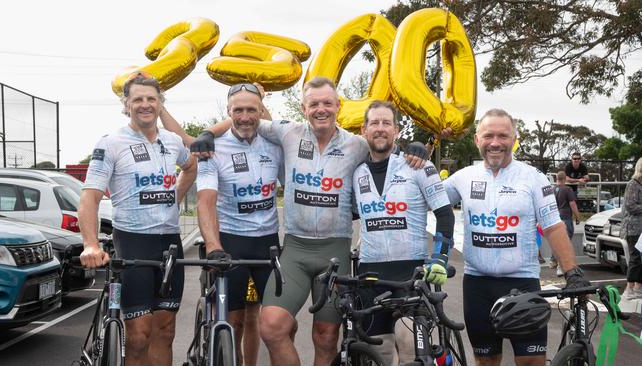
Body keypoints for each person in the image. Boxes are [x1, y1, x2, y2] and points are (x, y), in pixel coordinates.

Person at [182, 77, 428, 366]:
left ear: (338, 106)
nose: (321, 109)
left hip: (334, 250)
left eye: (327, 103)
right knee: (272, 327)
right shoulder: (288, 133)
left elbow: (384, 145)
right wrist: (207, 132)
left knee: (326, 336)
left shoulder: (357, 144)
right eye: (314, 104)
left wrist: (416, 147)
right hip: (296, 250)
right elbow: (244, 118)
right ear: (304, 107)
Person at [442, 108, 590, 366]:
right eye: (488, 136)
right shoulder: (463, 178)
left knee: (530, 361)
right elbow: (424, 199)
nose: (495, 143)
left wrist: (572, 272)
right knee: (486, 361)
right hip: (478, 285)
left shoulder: (532, 178)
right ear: (477, 139)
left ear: (514, 139)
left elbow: (554, 226)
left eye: (503, 135)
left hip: (523, 282)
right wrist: (416, 153)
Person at [78, 71, 197, 366]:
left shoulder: (172, 141)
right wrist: (90, 244)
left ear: (160, 104)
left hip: (170, 242)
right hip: (132, 241)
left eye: (151, 99)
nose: (145, 104)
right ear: (126, 104)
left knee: (166, 329)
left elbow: (191, 167)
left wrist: (175, 198)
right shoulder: (111, 143)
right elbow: (89, 197)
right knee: (140, 333)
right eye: (138, 99)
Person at [353, 100, 455, 365]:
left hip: (410, 271)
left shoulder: (418, 166)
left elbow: (445, 214)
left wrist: (440, 258)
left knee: (409, 342)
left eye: (386, 123)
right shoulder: (356, 171)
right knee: (380, 351)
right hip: (370, 272)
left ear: (396, 130)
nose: (380, 128)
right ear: (364, 130)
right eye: (374, 123)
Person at [194, 83, 283, 366]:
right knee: (234, 320)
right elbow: (206, 201)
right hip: (231, 242)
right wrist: (213, 246)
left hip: (267, 244)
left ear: (261, 111)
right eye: (238, 110)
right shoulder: (213, 150)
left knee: (274, 321)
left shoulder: (276, 144)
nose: (245, 116)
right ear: (228, 112)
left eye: (251, 109)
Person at [549, 171, 581, 275]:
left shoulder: (553, 190)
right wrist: (577, 216)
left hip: (555, 217)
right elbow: (572, 204)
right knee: (565, 241)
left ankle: (553, 260)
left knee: (557, 240)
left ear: (557, 178)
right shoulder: (567, 189)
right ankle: (560, 265)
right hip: (565, 217)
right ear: (565, 179)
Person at [621, 157, 642, 300]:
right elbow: (630, 205)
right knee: (635, 258)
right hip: (633, 228)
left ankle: (638, 287)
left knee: (640, 258)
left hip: (640, 228)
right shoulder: (633, 184)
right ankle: (629, 288)